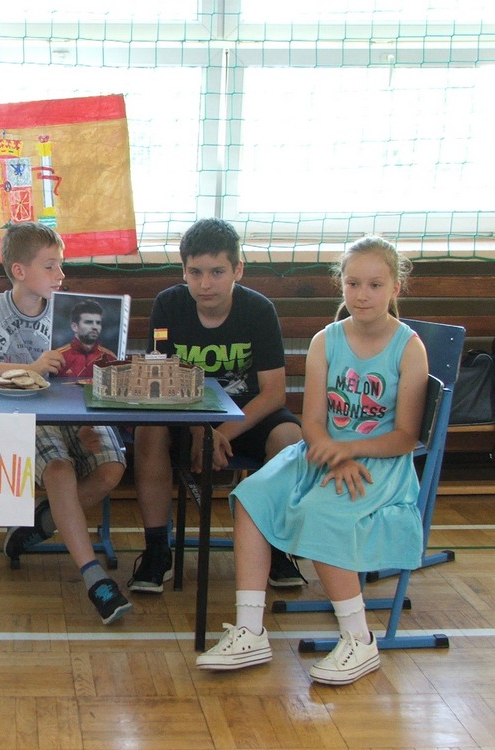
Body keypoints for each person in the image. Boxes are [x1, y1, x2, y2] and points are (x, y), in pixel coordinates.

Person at [196, 235, 428, 686]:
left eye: (375, 285)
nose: (362, 294)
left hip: (378, 462)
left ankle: (360, 639)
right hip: (321, 452)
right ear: (341, 284)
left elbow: (405, 436)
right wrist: (331, 452)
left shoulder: (408, 347)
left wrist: (349, 451)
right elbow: (314, 422)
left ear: (395, 288)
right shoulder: (326, 341)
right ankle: (250, 630)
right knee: (251, 496)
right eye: (353, 283)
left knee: (323, 511)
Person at [0, 221, 131, 625]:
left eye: (60, 265)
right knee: (60, 470)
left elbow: (93, 368)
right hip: (25, 413)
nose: (60, 274)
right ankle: (95, 579)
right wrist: (27, 368)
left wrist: (90, 409)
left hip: (77, 408)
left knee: (112, 469)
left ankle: (40, 523)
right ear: (19, 271)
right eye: (50, 266)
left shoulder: (70, 310)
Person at [131, 218, 304, 594]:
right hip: (186, 414)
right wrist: (200, 430)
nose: (205, 283)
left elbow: (274, 393)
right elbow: (160, 381)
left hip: (244, 416)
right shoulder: (168, 306)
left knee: (290, 438)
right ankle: (157, 549)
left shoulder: (259, 310)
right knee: (148, 430)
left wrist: (219, 433)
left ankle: (275, 546)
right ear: (184, 271)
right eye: (195, 272)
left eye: (217, 272)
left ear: (237, 270)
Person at [55, 298, 118, 378]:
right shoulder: (59, 357)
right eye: (89, 322)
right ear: (74, 327)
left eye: (98, 323)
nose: (95, 327)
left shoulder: (110, 358)